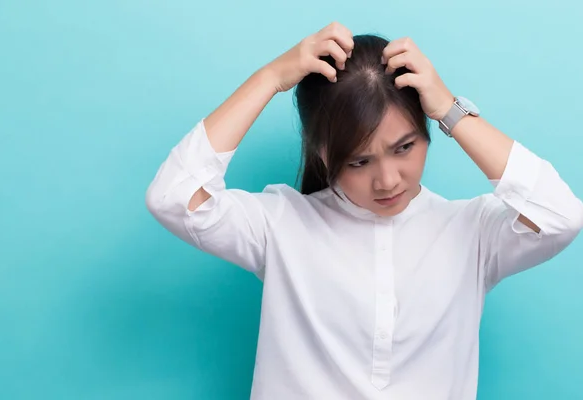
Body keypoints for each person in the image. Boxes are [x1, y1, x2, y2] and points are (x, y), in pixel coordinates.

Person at [145, 22, 583, 400]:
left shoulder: (472, 232)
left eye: (404, 147)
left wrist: (451, 110)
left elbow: (561, 216)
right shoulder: (280, 225)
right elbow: (173, 197)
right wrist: (271, 78)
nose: (388, 180)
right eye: (359, 161)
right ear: (322, 152)